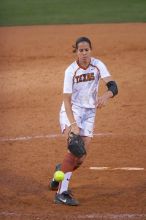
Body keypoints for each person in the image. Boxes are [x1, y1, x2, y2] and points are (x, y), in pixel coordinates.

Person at [49, 36, 118, 206]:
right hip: (72, 110)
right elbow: (66, 99)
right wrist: (72, 125)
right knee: (75, 146)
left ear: (90, 51)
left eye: (87, 50)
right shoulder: (71, 71)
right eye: (81, 50)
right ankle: (61, 193)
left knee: (80, 158)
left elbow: (113, 86)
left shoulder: (97, 65)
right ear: (77, 52)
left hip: (89, 113)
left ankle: (60, 171)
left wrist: (106, 96)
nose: (84, 53)